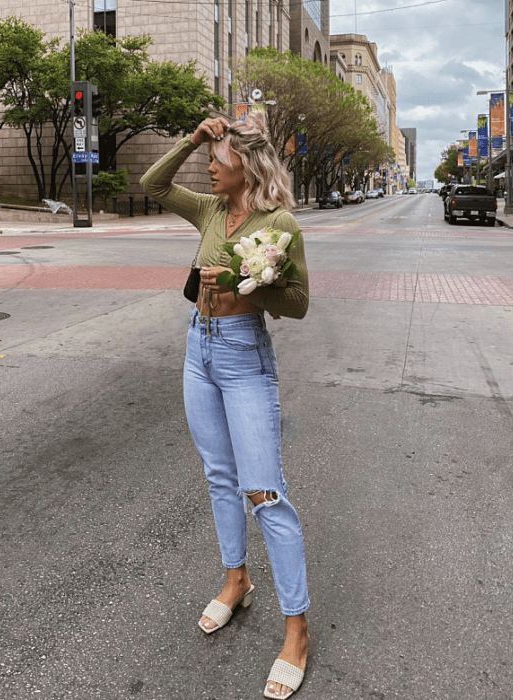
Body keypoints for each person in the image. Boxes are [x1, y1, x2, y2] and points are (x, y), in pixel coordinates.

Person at [141, 112, 310, 699]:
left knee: (263, 491)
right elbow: (153, 187)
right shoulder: (210, 210)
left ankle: (296, 629)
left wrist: (243, 278)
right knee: (219, 476)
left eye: (218, 156)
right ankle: (236, 580)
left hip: (244, 357)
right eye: (207, 155)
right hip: (198, 349)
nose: (209, 165)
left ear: (248, 164)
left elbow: (297, 303)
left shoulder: (279, 221)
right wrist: (190, 138)